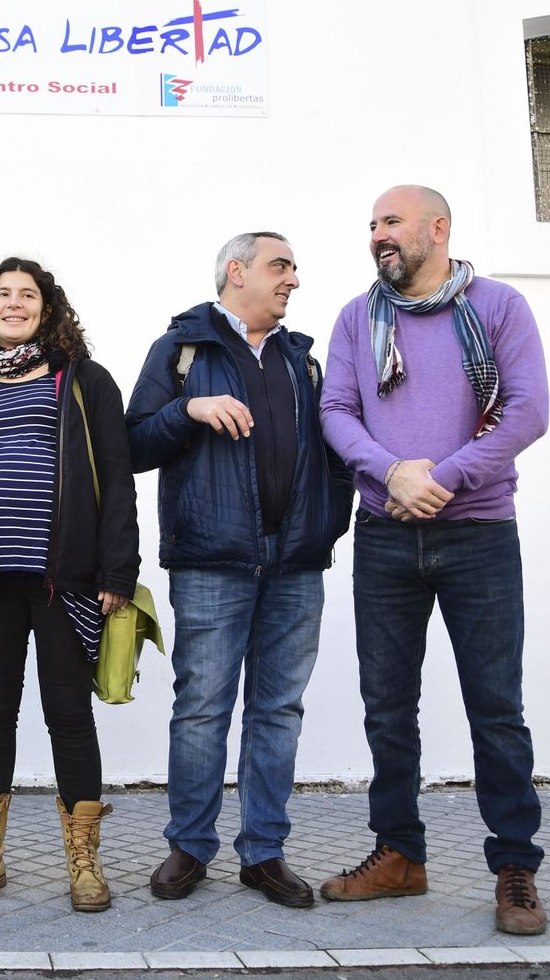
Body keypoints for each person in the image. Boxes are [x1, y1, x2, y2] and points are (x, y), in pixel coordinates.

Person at [318, 185, 550, 936]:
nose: (378, 235)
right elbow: (336, 411)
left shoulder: (499, 307)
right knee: (387, 707)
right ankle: (398, 855)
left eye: (392, 222)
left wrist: (439, 478)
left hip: (480, 534)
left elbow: (528, 412)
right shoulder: (356, 318)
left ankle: (514, 867)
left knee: (496, 706)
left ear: (438, 228)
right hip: (384, 535)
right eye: (373, 225)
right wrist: (392, 474)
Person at [125, 233, 352, 909]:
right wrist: (186, 410)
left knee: (279, 709)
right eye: (280, 266)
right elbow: (131, 444)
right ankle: (190, 847)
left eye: (293, 269)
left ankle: (264, 853)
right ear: (236, 272)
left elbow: (335, 454)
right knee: (202, 708)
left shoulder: (302, 360)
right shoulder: (182, 349)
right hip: (211, 563)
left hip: (296, 566)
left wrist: (325, 523)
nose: (293, 280)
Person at [0, 258, 139, 913]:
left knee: (69, 716)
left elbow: (116, 476)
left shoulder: (83, 381)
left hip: (63, 579)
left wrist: (118, 572)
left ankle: (84, 863)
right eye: (3, 294)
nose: (14, 304)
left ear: (48, 310)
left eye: (27, 295)